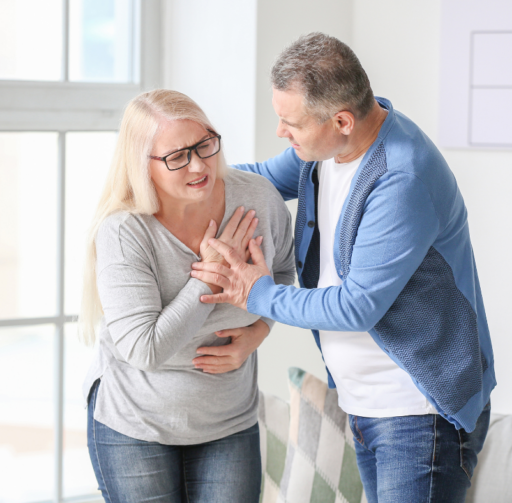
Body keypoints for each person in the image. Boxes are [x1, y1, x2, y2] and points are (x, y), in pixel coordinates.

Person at [191, 32, 495, 503]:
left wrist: (254, 292)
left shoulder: (401, 177)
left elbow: (356, 307)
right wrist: (188, 179)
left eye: (290, 122)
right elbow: (257, 182)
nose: (280, 132)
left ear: (342, 120)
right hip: (364, 404)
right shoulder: (328, 150)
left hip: (417, 414)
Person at [78, 89, 295, 503]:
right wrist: (208, 278)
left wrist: (259, 331)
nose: (199, 165)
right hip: (136, 423)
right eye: (177, 156)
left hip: (229, 420)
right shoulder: (125, 232)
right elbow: (143, 350)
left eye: (205, 145)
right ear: (143, 165)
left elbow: (283, 270)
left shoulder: (258, 200)